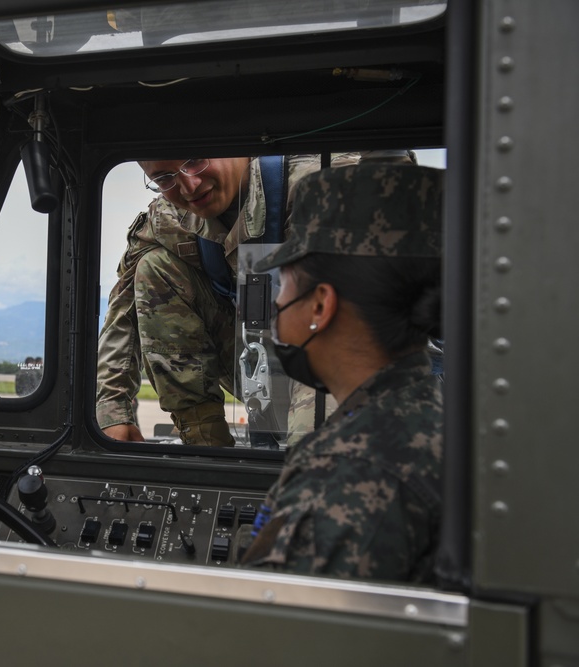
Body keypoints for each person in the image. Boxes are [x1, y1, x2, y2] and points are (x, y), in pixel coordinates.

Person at [233, 162, 444, 583]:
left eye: (286, 285)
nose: (277, 304)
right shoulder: (434, 413)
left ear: (319, 306)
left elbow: (275, 635)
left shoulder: (348, 470)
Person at [96, 155, 348, 446]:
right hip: (260, 363)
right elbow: (126, 298)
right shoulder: (172, 216)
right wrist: (113, 413)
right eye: (164, 178)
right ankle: (207, 450)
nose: (189, 186)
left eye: (196, 160)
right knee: (154, 267)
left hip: (336, 368)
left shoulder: (321, 188)